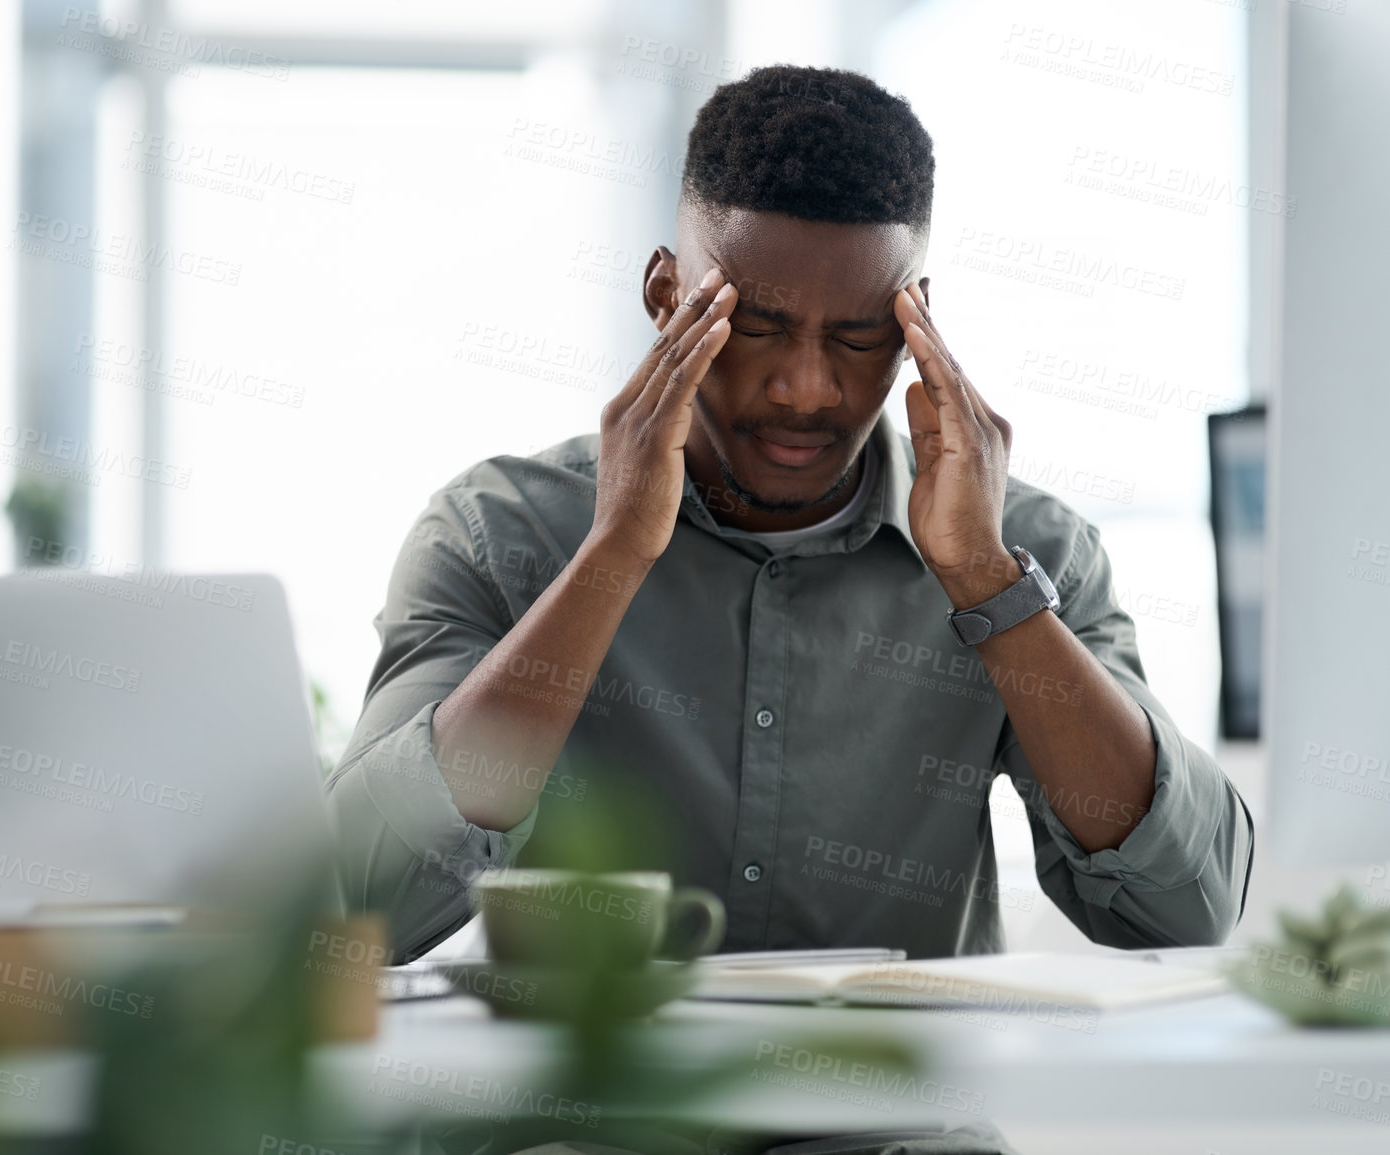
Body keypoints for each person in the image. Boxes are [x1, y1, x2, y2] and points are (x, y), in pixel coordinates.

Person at [326, 65, 1255, 1153]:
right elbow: (363, 904)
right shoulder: (499, 532)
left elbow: (1185, 912)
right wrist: (617, 552)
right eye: (756, 326)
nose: (806, 389)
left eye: (860, 336)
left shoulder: (1026, 553)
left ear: (919, 328)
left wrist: (987, 585)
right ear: (666, 294)